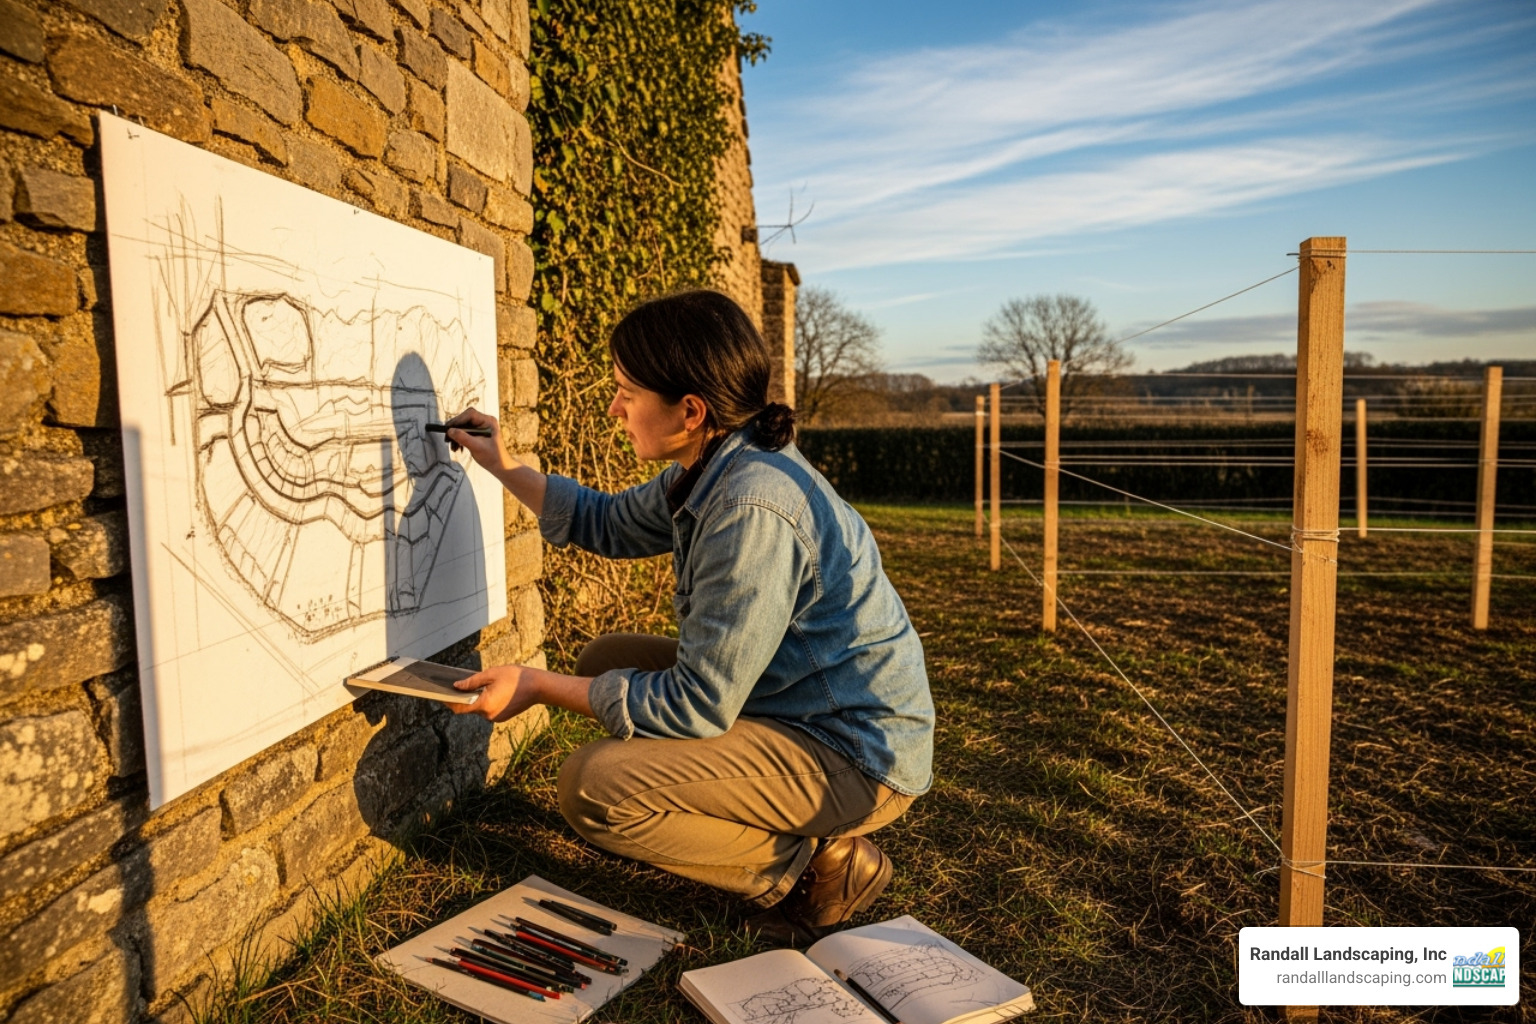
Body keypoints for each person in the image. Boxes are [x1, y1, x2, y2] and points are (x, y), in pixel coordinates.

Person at [443, 289, 934, 946]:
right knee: (604, 660)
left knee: (593, 788)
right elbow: (603, 522)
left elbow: (697, 704)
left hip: (853, 754)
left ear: (690, 410)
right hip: (797, 703)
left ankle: (812, 868)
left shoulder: (749, 508)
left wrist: (534, 684)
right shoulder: (713, 462)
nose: (614, 407)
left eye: (626, 392)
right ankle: (747, 810)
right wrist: (500, 463)